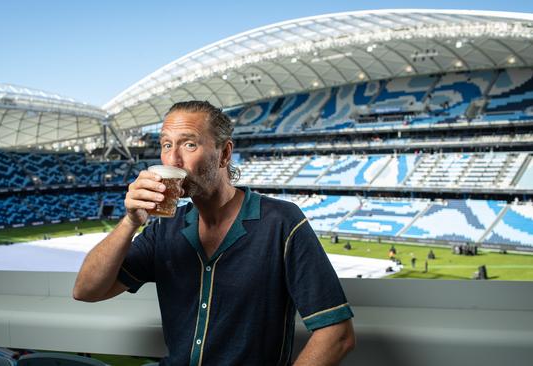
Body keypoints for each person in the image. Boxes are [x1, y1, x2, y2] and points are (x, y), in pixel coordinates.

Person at [73, 100, 355, 365]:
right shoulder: (164, 229)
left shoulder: (281, 222)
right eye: (166, 145)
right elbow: (86, 290)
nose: (173, 159)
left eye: (189, 144)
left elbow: (337, 335)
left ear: (225, 153)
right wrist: (130, 221)